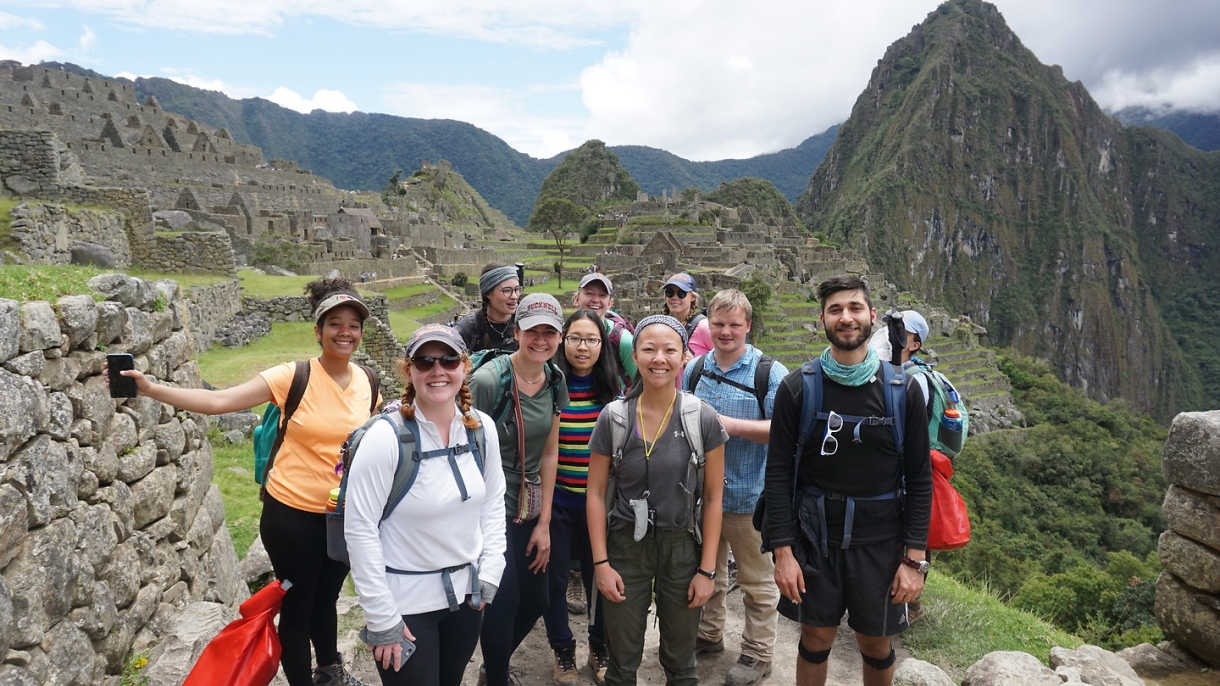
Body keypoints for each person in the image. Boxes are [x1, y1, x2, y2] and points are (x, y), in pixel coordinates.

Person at [108, 277, 379, 686]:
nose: (345, 332)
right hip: (291, 516)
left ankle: (330, 671)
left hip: (339, 516)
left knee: (327, 597)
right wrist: (151, 389)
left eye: (353, 325)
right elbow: (219, 402)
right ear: (318, 330)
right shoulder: (294, 376)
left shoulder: (368, 381)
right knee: (299, 605)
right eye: (335, 323)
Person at [764, 275, 931, 686]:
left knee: (876, 643)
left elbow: (920, 478)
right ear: (822, 318)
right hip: (815, 537)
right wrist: (783, 553)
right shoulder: (797, 389)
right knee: (815, 637)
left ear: (872, 316)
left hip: (882, 541)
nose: (846, 318)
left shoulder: (901, 390)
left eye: (855, 308)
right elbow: (779, 475)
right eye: (836, 309)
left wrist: (914, 560)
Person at [345, 325, 507, 686]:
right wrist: (382, 618)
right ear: (409, 370)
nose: (438, 370)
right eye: (425, 361)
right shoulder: (385, 439)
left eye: (449, 360)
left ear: (464, 367)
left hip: (466, 598)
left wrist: (492, 569)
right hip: (405, 606)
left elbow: (493, 502)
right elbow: (360, 530)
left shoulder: (482, 430)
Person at [586, 315, 728, 686]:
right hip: (625, 546)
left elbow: (713, 497)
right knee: (621, 661)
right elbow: (597, 492)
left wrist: (707, 570)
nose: (658, 358)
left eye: (669, 350)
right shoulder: (614, 418)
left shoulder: (703, 418)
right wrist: (601, 563)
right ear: (636, 355)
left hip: (682, 546)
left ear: (685, 357)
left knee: (682, 663)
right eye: (648, 349)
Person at [682, 290, 788, 686]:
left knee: (758, 581)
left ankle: (758, 654)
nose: (726, 332)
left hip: (749, 497)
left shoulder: (768, 373)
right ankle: (709, 634)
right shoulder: (695, 369)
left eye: (735, 325)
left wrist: (726, 424)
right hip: (701, 496)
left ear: (748, 326)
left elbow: (784, 432)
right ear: (708, 323)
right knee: (707, 570)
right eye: (719, 324)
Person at [470, 293, 570, 686]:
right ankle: (496, 676)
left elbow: (550, 451)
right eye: (533, 331)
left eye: (550, 332)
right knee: (504, 599)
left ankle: (491, 664)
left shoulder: (554, 381)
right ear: (517, 332)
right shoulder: (488, 381)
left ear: (559, 338)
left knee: (536, 600)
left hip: (528, 506)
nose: (540, 340)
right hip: (489, 507)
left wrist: (544, 522)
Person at [544, 309, 623, 685]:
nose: (582, 347)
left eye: (591, 339)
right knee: (554, 581)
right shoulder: (549, 385)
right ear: (563, 341)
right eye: (575, 337)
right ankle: (563, 651)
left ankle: (598, 644)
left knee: (600, 579)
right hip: (558, 502)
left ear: (601, 345)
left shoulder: (612, 393)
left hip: (600, 506)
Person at [572, 272, 637, 389]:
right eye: (589, 293)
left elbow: (642, 385)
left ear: (610, 303)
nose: (595, 300)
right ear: (576, 299)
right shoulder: (563, 335)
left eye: (602, 295)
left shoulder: (623, 341)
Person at [452, 262, 522, 354]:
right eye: (507, 290)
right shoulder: (466, 330)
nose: (514, 296)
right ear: (488, 293)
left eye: (517, 289)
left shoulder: (524, 323)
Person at [662, 273, 712, 358]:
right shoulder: (672, 327)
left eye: (681, 293)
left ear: (692, 297)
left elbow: (726, 360)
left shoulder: (704, 327)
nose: (674, 297)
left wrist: (694, 364)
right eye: (670, 292)